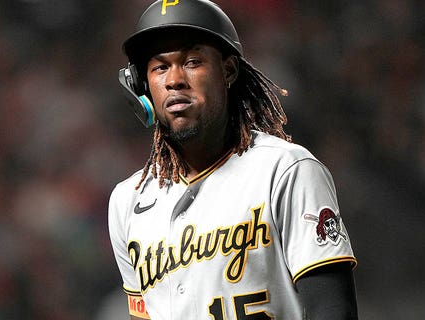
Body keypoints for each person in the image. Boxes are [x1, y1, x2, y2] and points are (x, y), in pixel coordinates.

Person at [108, 1, 358, 319]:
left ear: (228, 70)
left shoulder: (285, 171)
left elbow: (332, 309)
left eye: (192, 61)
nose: (174, 80)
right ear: (141, 87)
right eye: (160, 67)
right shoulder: (126, 202)